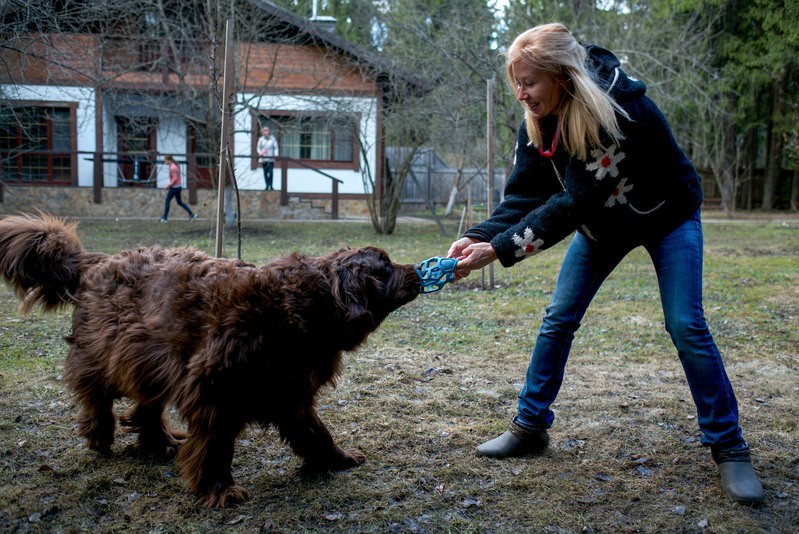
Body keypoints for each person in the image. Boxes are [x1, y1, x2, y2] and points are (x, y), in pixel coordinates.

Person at [446, 23, 764, 505]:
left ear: (562, 77)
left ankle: (730, 448)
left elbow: (573, 203)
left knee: (685, 324)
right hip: (604, 227)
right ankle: (530, 427)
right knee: (558, 318)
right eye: (517, 81)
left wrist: (501, 250)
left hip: (667, 218)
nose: (521, 93)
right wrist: (478, 236)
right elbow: (524, 197)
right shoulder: (537, 120)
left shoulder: (618, 111)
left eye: (529, 81)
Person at [160, 155, 196, 222]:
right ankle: (192, 215)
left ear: (169, 160)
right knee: (179, 202)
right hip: (178, 187)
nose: (165, 162)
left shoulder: (173, 168)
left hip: (175, 188)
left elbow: (175, 179)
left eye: (165, 160)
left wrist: (168, 186)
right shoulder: (174, 166)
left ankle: (164, 218)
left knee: (167, 201)